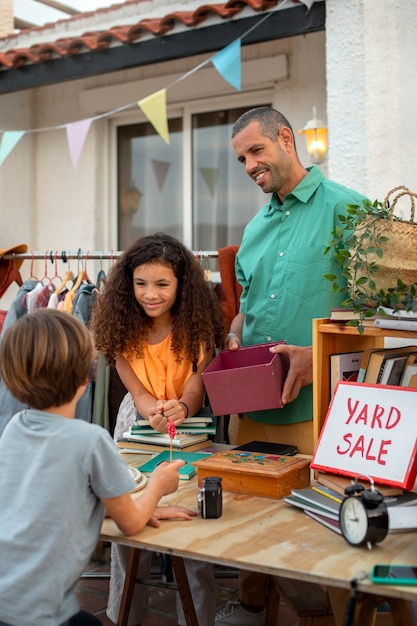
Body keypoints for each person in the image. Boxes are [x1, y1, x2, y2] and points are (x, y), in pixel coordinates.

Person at [215, 107, 368, 626]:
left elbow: (384, 311)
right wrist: (233, 334)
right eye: (241, 159)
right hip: (251, 403)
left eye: (256, 151)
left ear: (286, 139)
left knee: (310, 529)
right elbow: (249, 305)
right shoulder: (254, 227)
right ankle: (251, 606)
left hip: (318, 407)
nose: (250, 165)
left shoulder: (352, 209)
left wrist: (314, 351)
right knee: (243, 514)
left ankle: (317, 618)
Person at [0, 308, 193, 626]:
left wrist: (127, 507)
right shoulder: (90, 440)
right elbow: (131, 526)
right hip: (39, 615)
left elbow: (57, 497)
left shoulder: (14, 427)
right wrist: (158, 485)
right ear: (84, 381)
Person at [90, 232, 225, 626]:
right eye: (141, 284)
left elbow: (198, 385)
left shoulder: (196, 329)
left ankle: (196, 618)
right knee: (130, 515)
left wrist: (181, 406)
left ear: (182, 285)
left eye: (162, 284)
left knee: (191, 519)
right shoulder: (122, 329)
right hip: (138, 418)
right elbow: (135, 389)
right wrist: (155, 412)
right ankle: (125, 614)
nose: (150, 294)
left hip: (191, 421)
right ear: (128, 284)